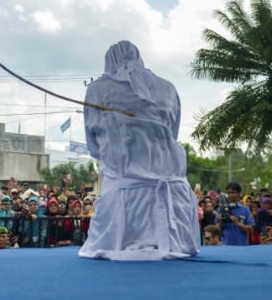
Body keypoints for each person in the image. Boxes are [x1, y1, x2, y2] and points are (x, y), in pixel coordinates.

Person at [78, 41, 200, 260]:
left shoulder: (97, 89)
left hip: (124, 193)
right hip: (172, 192)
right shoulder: (168, 87)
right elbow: (173, 134)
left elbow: (94, 143)